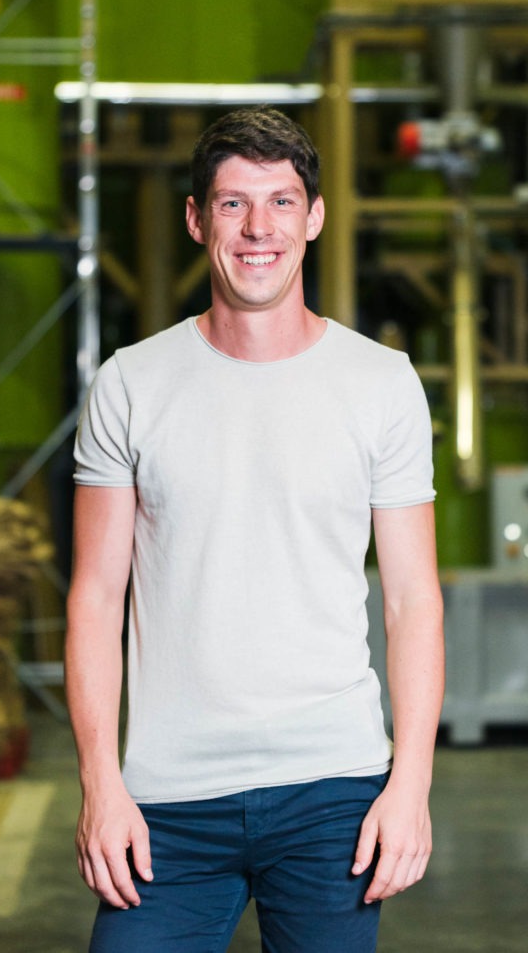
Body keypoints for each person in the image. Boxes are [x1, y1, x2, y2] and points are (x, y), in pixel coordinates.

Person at [65, 106, 445, 953]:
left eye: (280, 201)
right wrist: (101, 782)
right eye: (234, 204)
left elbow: (414, 599)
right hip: (168, 794)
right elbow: (95, 594)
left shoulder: (381, 383)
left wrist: (410, 780)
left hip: (332, 789)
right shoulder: (131, 384)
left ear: (313, 217)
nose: (259, 228)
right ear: (199, 219)